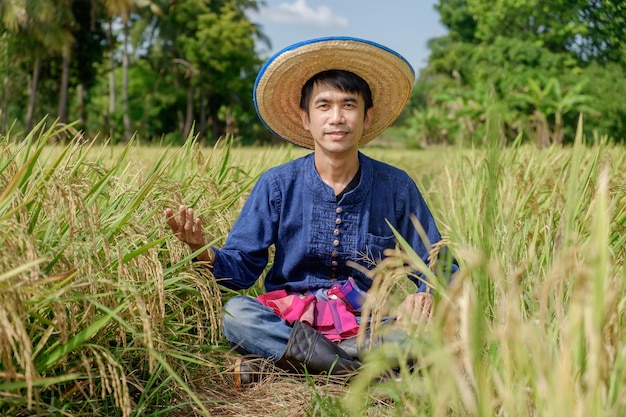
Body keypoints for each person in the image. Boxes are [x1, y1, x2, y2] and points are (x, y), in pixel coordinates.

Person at [164, 36, 459, 388]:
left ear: (366, 116)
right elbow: (240, 271)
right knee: (236, 314)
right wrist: (204, 251)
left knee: (427, 333)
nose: (337, 117)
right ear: (305, 118)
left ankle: (287, 365)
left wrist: (424, 296)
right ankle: (357, 373)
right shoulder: (276, 185)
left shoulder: (396, 187)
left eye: (348, 105)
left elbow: (440, 266)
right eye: (324, 105)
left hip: (365, 326)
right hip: (289, 321)